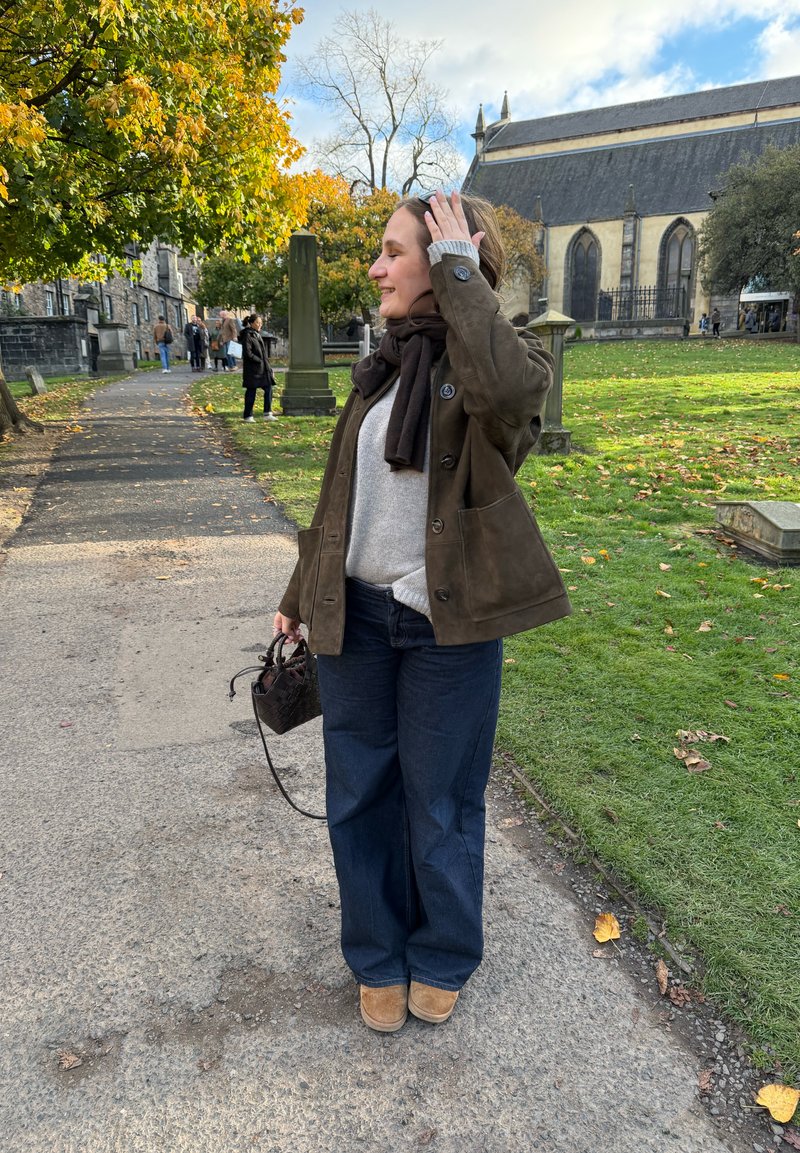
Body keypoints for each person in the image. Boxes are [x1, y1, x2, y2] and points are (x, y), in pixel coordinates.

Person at [273, 189, 571, 1033]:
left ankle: (440, 953)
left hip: (447, 625)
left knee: (439, 800)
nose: (375, 267)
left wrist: (460, 273)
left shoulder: (491, 370)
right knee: (359, 796)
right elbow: (341, 503)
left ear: (449, 261)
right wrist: (300, 597)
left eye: (395, 252)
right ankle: (377, 954)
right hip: (356, 620)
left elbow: (511, 400)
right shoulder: (381, 369)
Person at [240, 313, 277, 422]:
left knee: (268, 388)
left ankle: (267, 413)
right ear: (251, 323)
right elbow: (247, 353)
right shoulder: (247, 335)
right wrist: (259, 360)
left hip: (262, 369)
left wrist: (269, 368)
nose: (260, 324)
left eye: (261, 323)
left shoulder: (257, 334)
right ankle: (248, 415)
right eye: (257, 322)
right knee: (251, 391)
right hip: (252, 369)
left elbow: (263, 354)